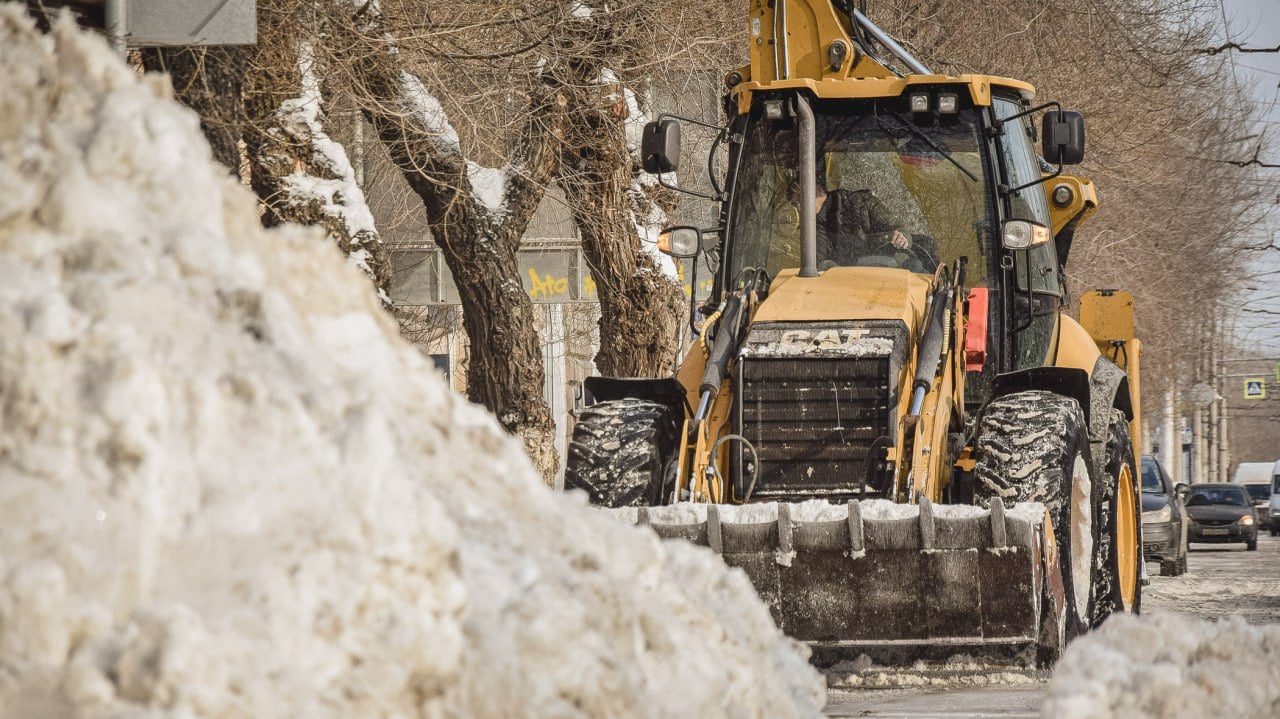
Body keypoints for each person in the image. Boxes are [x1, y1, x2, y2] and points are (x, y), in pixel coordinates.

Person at [790, 179, 937, 270]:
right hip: (841, 285)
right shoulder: (814, 227)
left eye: (797, 204)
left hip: (885, 276)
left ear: (813, 194)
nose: (797, 211)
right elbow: (816, 264)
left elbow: (895, 228)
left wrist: (901, 237)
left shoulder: (860, 203)